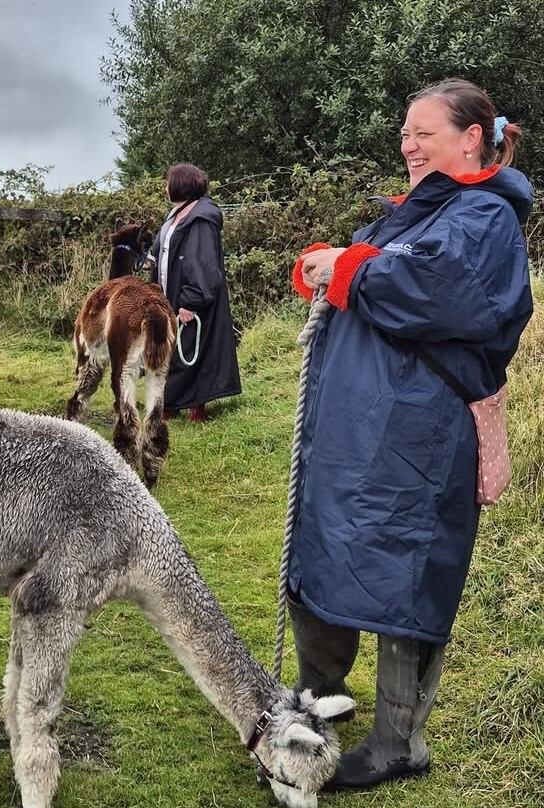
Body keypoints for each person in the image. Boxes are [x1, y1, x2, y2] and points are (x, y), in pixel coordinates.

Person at [288, 78, 533, 789]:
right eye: (405, 132)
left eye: (424, 132)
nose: (409, 145)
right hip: (354, 433)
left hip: (416, 439)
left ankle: (400, 741)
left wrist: (352, 268)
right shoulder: (416, 212)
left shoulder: (483, 217)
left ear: (471, 139)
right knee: (326, 547)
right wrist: (329, 267)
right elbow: (375, 272)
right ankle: (318, 697)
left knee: (407, 569)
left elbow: (444, 292)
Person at [147, 163, 241, 421]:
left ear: (181, 184)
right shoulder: (177, 213)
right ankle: (174, 402)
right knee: (173, 348)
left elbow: (200, 261)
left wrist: (191, 300)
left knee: (192, 348)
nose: (165, 187)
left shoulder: (200, 217)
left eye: (168, 182)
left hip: (190, 297)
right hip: (169, 292)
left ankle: (193, 406)